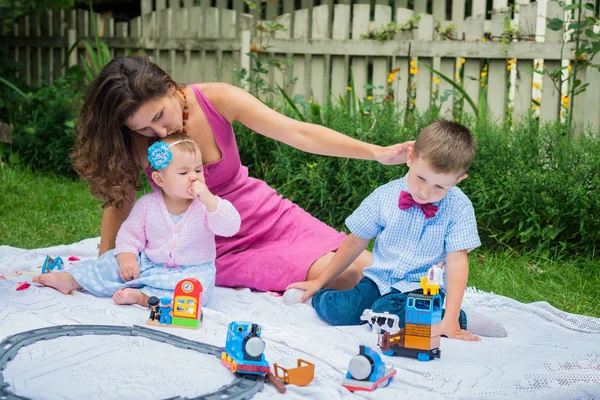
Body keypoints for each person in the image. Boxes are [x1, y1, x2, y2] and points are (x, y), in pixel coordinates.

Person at [67, 55, 414, 293]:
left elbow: (299, 133)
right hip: (208, 242)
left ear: (170, 88)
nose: (159, 132)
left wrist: (377, 153)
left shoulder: (216, 99)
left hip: (265, 215)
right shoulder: (132, 139)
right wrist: (105, 261)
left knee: (372, 268)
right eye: (144, 128)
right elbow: (119, 199)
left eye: (159, 116)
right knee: (345, 276)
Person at [286, 120, 506, 340]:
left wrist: (452, 316)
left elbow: (458, 262)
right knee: (341, 312)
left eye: (439, 186)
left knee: (387, 313)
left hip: (422, 289)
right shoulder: (384, 196)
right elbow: (355, 241)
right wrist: (320, 281)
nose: (425, 192)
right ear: (410, 157)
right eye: (421, 178)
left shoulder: (459, 207)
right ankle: (315, 298)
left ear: (459, 180)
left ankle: (454, 318)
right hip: (378, 280)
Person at [33, 134, 241, 306]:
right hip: (149, 263)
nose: (194, 177)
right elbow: (130, 234)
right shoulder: (148, 205)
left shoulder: (206, 206)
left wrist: (209, 200)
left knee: (194, 292)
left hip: (190, 270)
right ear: (160, 179)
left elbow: (230, 226)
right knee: (109, 262)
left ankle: (142, 297)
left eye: (198, 170)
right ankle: (72, 279)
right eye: (183, 172)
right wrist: (127, 257)